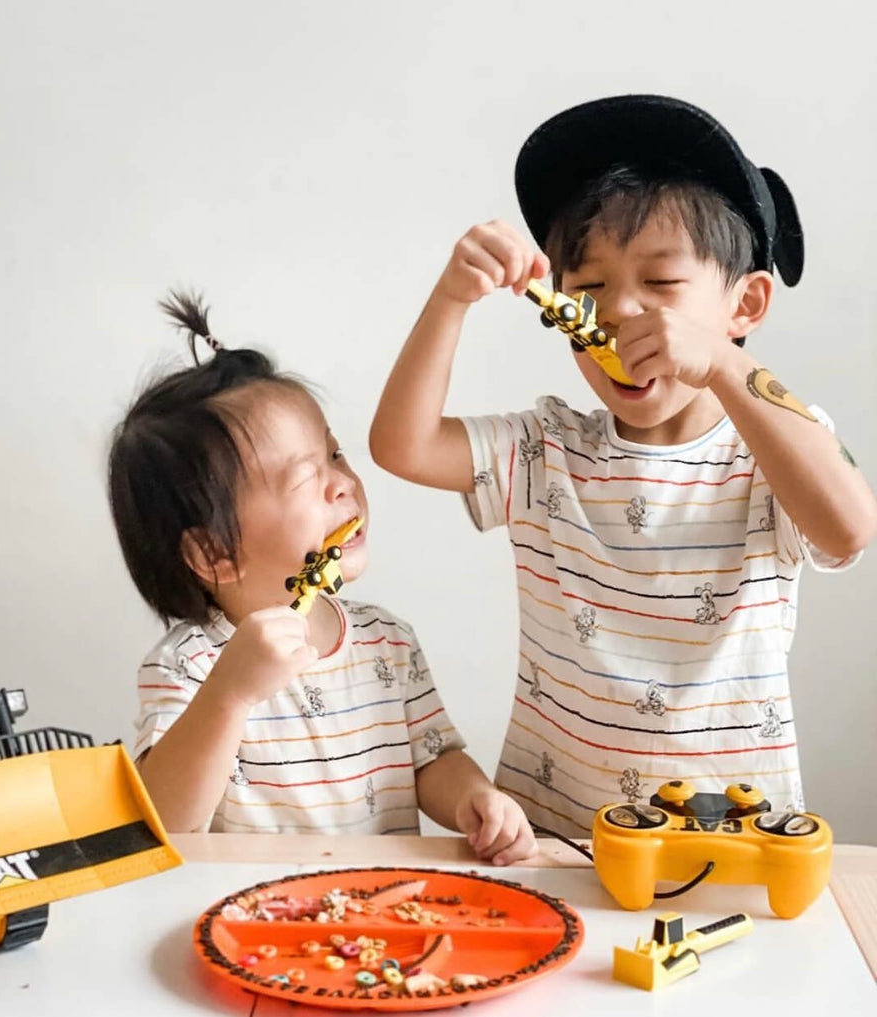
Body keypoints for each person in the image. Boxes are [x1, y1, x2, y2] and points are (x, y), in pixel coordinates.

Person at [370, 95, 877, 836]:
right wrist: (452, 298)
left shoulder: (772, 447)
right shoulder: (545, 452)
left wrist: (726, 369)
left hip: (731, 842)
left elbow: (849, 528)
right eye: (591, 289)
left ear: (746, 305)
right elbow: (401, 445)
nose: (619, 313)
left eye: (662, 284)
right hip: (550, 840)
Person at [107, 289, 536, 864]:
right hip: (256, 921)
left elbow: (431, 758)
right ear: (214, 554)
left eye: (335, 455)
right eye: (308, 476)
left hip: (380, 909)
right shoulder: (190, 666)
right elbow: (165, 822)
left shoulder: (388, 642)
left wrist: (475, 798)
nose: (344, 484)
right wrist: (230, 695)